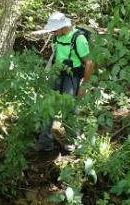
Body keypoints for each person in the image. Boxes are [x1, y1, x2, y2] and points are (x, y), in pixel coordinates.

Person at [38, 12, 94, 151]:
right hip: (56, 73)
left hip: (72, 76)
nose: (53, 33)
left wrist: (83, 86)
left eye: (55, 30)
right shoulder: (56, 37)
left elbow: (89, 63)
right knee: (48, 106)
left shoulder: (79, 39)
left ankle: (71, 142)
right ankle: (45, 142)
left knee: (70, 109)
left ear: (63, 27)